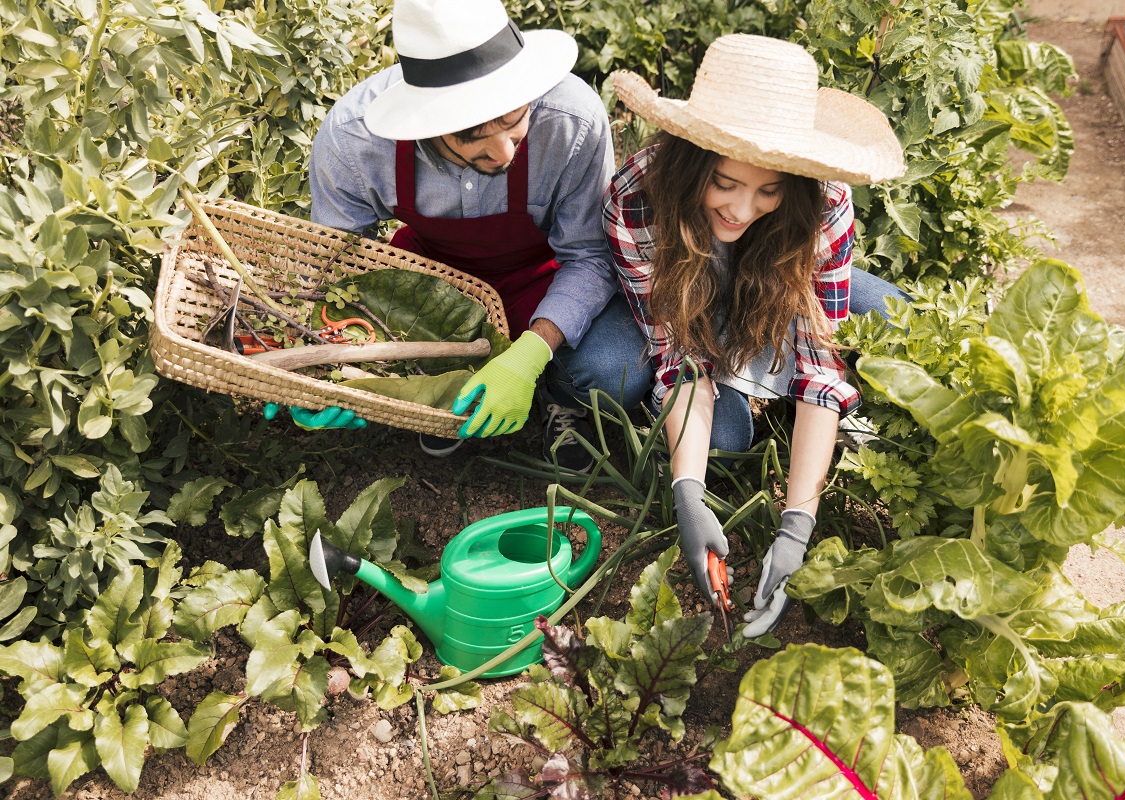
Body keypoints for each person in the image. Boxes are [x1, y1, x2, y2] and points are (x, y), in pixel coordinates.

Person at [267, 0, 654, 470]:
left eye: (514, 121)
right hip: (431, 290)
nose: (503, 150)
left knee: (620, 370)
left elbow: (590, 257)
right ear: (425, 121)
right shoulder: (355, 140)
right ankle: (438, 394)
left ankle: (556, 392)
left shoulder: (572, 120)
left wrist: (529, 356)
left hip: (544, 280)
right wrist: (325, 364)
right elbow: (336, 267)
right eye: (472, 136)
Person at [603, 34, 905, 635]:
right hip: (690, 296)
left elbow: (820, 363)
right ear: (691, 163)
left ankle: (799, 416)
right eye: (724, 184)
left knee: (892, 317)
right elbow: (678, 354)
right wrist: (687, 489)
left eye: (769, 191)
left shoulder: (823, 203)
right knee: (723, 441)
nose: (742, 210)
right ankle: (746, 395)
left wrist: (798, 524)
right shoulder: (639, 195)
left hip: (773, 293)